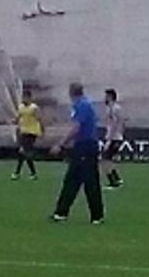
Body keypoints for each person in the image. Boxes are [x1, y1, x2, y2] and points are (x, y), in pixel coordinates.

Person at [49, 83, 106, 224]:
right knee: (73, 179)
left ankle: (96, 215)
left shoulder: (81, 106)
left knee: (88, 181)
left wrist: (61, 144)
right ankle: (61, 212)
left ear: (71, 93)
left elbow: (77, 127)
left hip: (85, 146)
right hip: (86, 145)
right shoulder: (86, 104)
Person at [13, 88, 43, 180]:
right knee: (24, 153)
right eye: (23, 97)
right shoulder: (21, 107)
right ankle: (31, 173)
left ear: (29, 98)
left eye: (26, 97)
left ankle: (18, 172)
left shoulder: (34, 108)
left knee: (23, 151)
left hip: (32, 132)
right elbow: (18, 117)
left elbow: (39, 119)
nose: (24, 99)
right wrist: (15, 121)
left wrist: (42, 129)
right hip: (23, 131)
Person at [102, 88, 128, 190]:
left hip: (113, 138)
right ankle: (116, 179)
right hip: (117, 137)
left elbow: (114, 124)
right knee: (108, 160)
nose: (104, 98)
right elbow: (122, 122)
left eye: (106, 96)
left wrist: (109, 139)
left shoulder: (113, 109)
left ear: (110, 97)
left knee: (105, 160)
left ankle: (113, 182)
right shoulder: (116, 108)